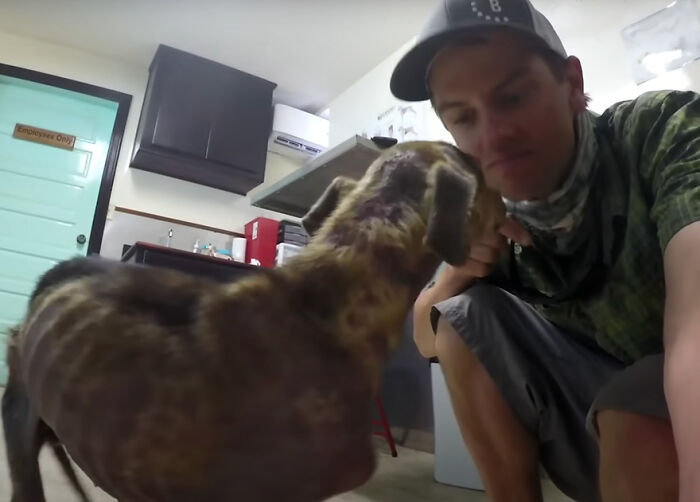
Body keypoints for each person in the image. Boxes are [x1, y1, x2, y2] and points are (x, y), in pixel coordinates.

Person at [390, 1, 700, 501]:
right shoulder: (490, 216)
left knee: (634, 402)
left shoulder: (661, 132)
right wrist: (459, 268)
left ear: (573, 84)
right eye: (464, 117)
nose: (492, 136)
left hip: (669, 411)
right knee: (463, 316)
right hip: (596, 425)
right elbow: (430, 337)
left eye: (512, 98)